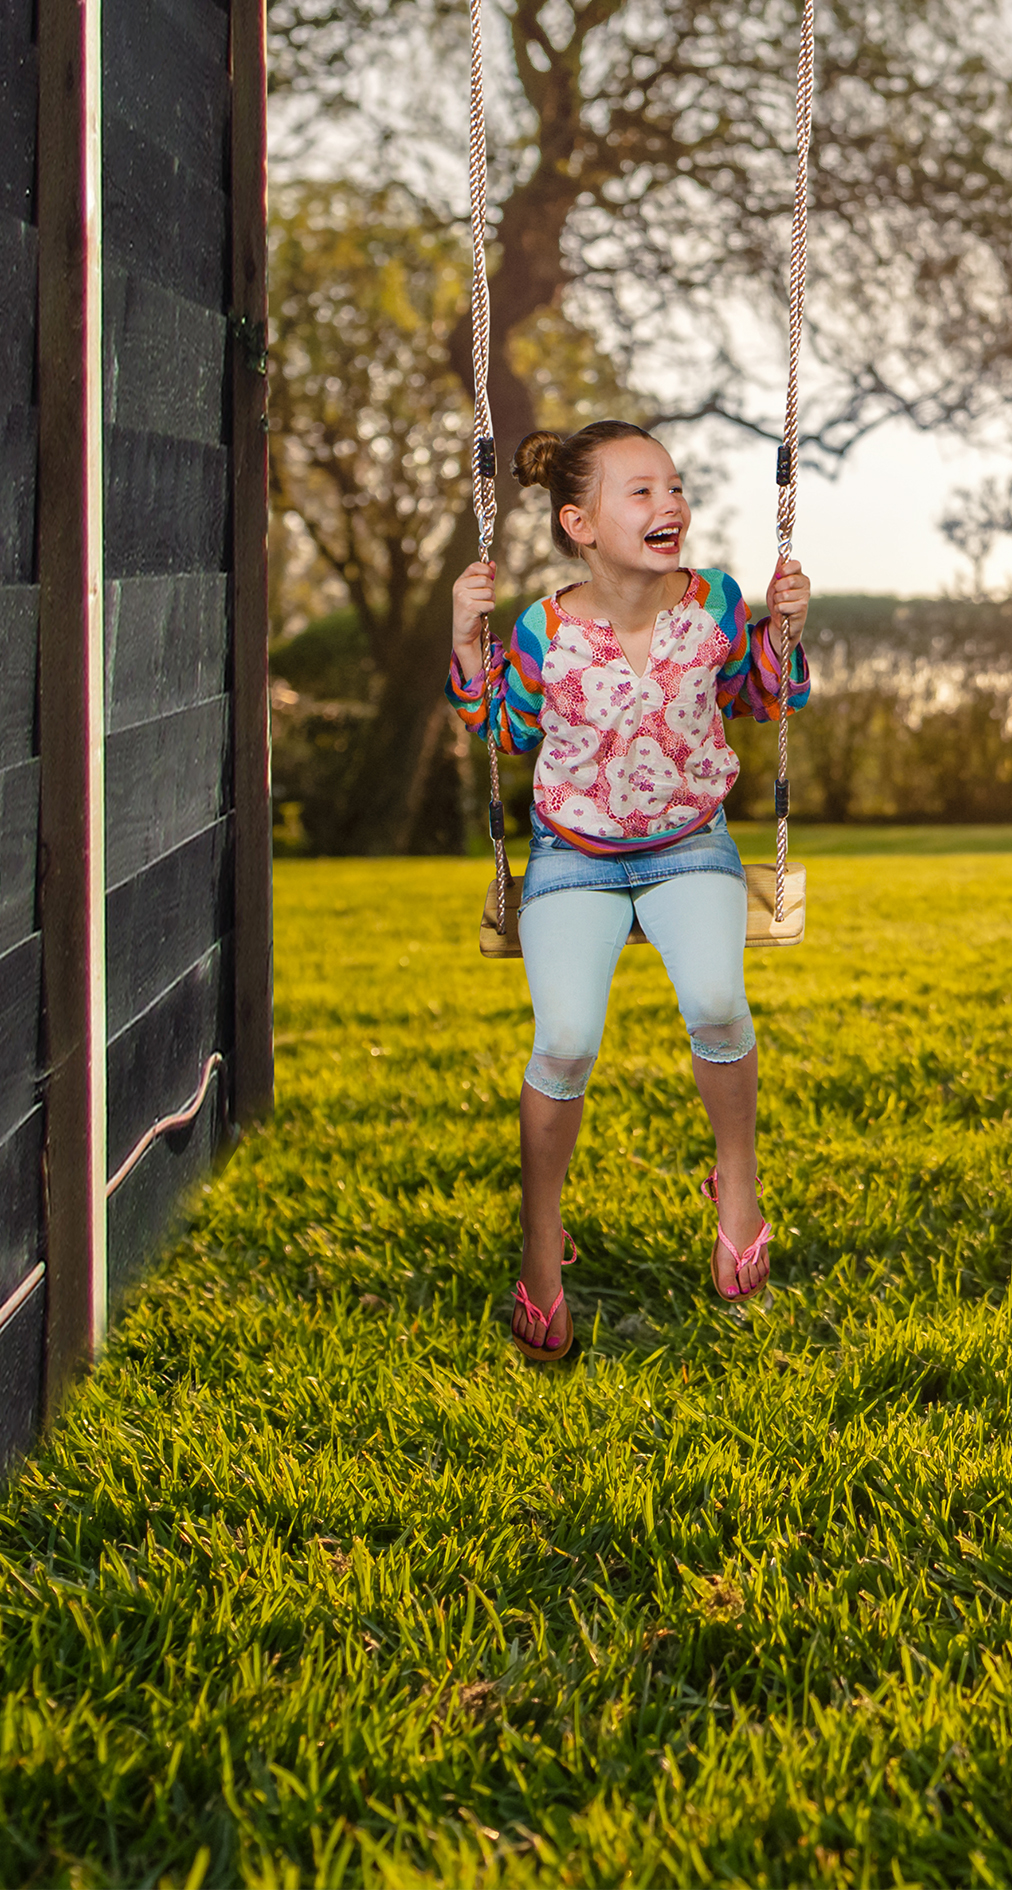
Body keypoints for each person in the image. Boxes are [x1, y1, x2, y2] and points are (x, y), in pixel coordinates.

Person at [448, 419, 811, 1362]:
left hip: (692, 844)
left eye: (676, 488)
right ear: (580, 522)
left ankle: (736, 1179)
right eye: (641, 492)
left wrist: (784, 631)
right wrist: (463, 632)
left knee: (720, 1006)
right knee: (564, 1041)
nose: (671, 505)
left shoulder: (719, 603)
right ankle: (540, 1235)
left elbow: (763, 697)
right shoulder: (542, 628)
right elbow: (497, 724)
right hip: (574, 857)